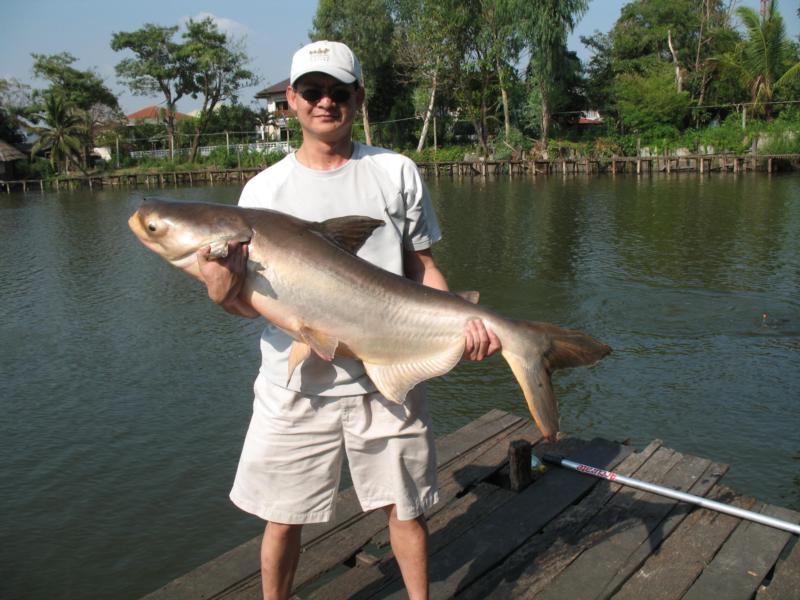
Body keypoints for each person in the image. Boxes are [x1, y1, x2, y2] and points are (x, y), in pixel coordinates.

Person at [196, 40, 499, 600]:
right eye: (313, 91)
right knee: (281, 518)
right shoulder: (261, 193)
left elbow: (422, 266)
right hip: (294, 387)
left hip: (386, 375)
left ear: (358, 98)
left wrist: (462, 322)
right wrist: (219, 293)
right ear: (291, 100)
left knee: (406, 511)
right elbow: (244, 301)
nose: (325, 102)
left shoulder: (395, 170)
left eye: (338, 91)